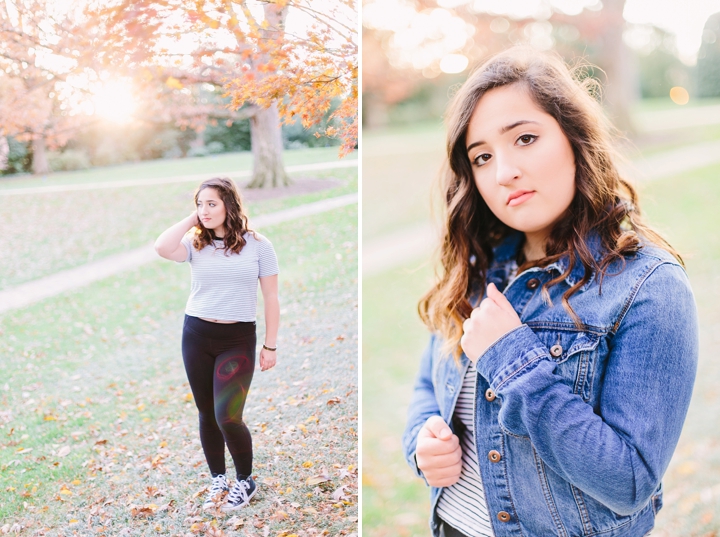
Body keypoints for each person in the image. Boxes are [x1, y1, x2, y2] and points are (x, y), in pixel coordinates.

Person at [402, 47, 698, 537]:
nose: (504, 172)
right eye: (482, 157)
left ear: (575, 140)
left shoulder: (648, 286)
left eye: (525, 138)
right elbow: (426, 383)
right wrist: (422, 438)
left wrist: (510, 357)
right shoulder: (479, 269)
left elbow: (629, 482)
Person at [155, 177, 279, 512]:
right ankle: (217, 480)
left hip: (237, 340)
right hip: (196, 336)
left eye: (212, 204)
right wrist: (192, 220)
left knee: (228, 415)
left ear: (229, 205)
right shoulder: (196, 244)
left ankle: (245, 480)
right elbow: (162, 247)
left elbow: (271, 297)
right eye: (200, 204)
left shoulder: (259, 245)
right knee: (206, 411)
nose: (204, 210)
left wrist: (270, 345)